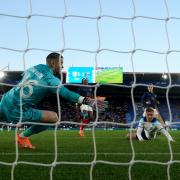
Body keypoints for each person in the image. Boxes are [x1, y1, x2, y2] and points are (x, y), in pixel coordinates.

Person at [0, 52, 108, 149]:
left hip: (5, 99)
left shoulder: (35, 67)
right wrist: (87, 101)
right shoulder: (51, 79)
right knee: (54, 118)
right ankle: (22, 136)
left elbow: (25, 78)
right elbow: (66, 93)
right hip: (17, 110)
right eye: (61, 63)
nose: (62, 66)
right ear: (53, 63)